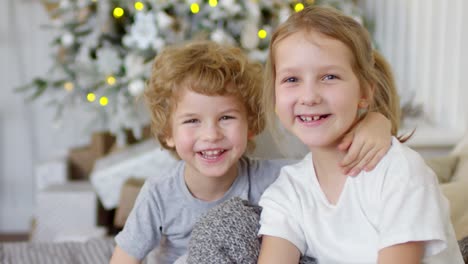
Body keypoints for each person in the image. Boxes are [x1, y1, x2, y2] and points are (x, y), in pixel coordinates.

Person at [109, 40, 392, 264]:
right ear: (169, 134)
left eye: (226, 118)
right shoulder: (158, 194)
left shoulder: (276, 178)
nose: (211, 135)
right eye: (192, 121)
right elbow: (126, 256)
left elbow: (334, 165)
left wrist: (376, 122)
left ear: (251, 125)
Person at [257, 5, 464, 264]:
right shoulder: (287, 191)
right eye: (291, 80)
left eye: (329, 76)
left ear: (365, 93)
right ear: (275, 97)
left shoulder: (400, 172)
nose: (309, 96)